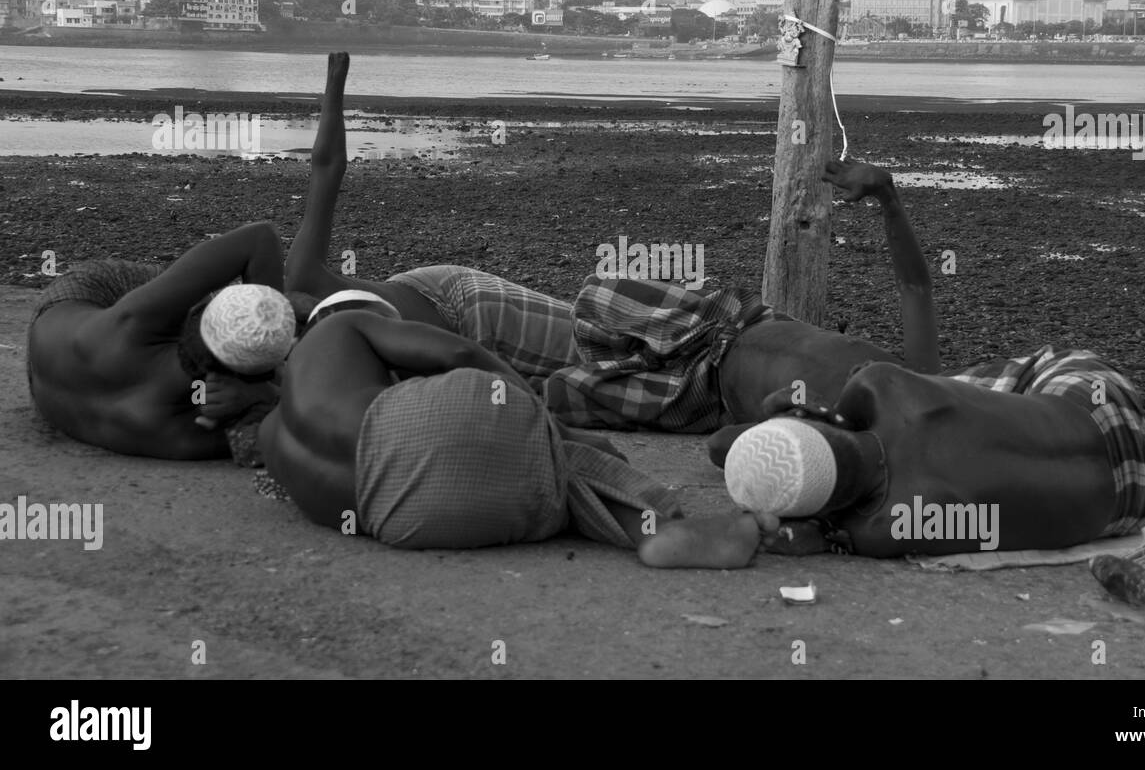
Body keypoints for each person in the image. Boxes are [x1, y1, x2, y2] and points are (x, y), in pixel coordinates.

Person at [709, 162, 1145, 555]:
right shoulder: (884, 388)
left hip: (1131, 504)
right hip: (1096, 399)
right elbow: (916, 289)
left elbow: (723, 448)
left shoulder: (877, 532)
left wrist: (794, 522)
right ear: (822, 419)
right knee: (993, 401)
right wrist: (888, 198)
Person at [256, 298, 779, 567]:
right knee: (543, 446)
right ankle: (656, 527)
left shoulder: (271, 438)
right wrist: (538, 412)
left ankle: (649, 528)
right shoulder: (340, 326)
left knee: (541, 470)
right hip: (410, 430)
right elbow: (457, 352)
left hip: (406, 518)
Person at [283, 52, 579, 394]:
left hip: (461, 309)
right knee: (591, 361)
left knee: (593, 340)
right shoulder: (305, 365)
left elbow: (328, 165)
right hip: (446, 310)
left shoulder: (301, 277)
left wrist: (334, 84)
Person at [27, 222, 296, 459]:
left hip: (56, 333)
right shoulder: (179, 435)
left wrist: (265, 308)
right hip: (51, 388)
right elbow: (289, 431)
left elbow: (261, 237)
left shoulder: (132, 325)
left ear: (189, 324)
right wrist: (264, 388)